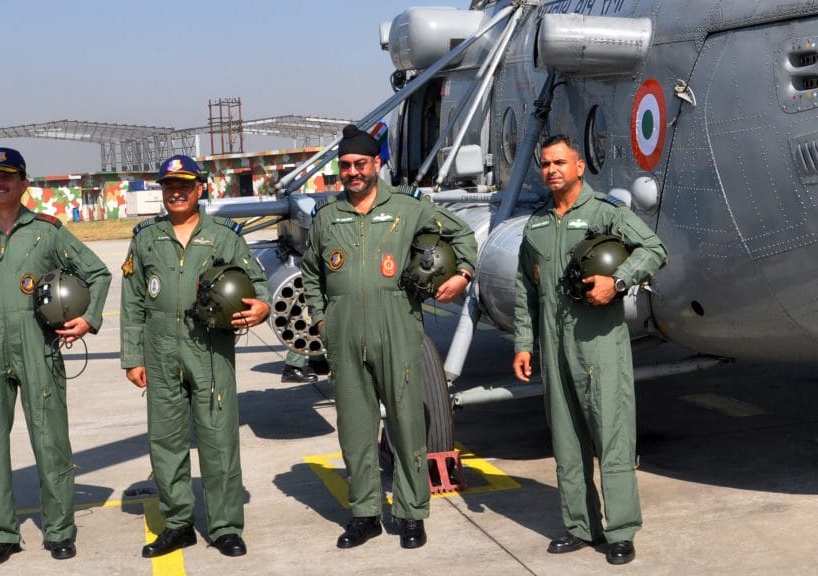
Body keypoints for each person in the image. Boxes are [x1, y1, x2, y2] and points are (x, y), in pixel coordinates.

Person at [300, 125, 478, 549]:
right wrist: (323, 320)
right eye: (346, 165)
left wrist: (462, 274)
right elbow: (311, 272)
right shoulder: (327, 217)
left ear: (376, 164)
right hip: (344, 334)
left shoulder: (407, 207)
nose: (352, 172)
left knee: (407, 423)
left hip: (397, 327)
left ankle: (411, 514)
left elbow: (462, 235)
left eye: (360, 164)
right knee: (354, 429)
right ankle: (364, 514)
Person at [0, 147, 112, 566]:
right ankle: (1, 534)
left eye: (7, 176)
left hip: (37, 343)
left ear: (23, 184)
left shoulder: (46, 232)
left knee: (50, 440)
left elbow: (97, 272)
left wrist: (88, 319)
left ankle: (59, 530)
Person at [512, 134, 667, 566]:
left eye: (560, 162)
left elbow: (654, 250)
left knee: (611, 435)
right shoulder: (536, 225)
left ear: (579, 167)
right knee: (566, 439)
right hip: (553, 347)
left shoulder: (606, 213)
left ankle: (621, 530)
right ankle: (581, 526)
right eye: (546, 164)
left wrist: (617, 282)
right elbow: (526, 289)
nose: (551, 170)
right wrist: (523, 343)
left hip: (600, 346)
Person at [120, 154, 271, 558]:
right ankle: (178, 524)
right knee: (166, 440)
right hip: (159, 350)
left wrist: (262, 306)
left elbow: (257, 282)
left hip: (209, 349)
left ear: (199, 189)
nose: (177, 192)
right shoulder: (146, 238)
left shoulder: (224, 236)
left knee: (218, 438)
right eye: (170, 186)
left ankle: (225, 526)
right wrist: (133, 357)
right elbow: (132, 300)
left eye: (185, 185)